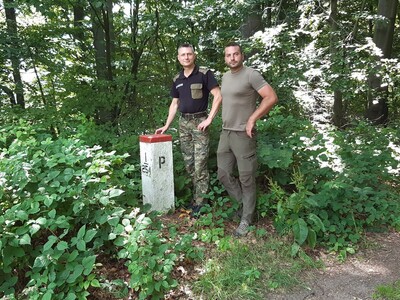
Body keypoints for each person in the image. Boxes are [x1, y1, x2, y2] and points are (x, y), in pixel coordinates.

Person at [217, 42, 278, 236]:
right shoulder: (225, 77)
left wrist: (252, 118)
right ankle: (244, 205)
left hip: (244, 134)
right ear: (225, 58)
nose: (232, 58)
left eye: (236, 54)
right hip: (225, 133)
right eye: (228, 55)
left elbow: (270, 97)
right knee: (223, 174)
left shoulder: (251, 74)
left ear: (242, 56)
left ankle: (246, 218)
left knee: (246, 177)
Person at [156, 43, 222, 216]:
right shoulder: (177, 79)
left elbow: (218, 95)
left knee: (200, 164)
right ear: (178, 58)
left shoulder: (204, 74)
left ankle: (201, 204)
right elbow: (174, 103)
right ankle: (196, 196)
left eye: (189, 54)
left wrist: (209, 119)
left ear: (194, 56)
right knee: (189, 164)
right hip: (183, 124)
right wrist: (167, 125)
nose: (186, 57)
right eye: (182, 55)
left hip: (200, 122)